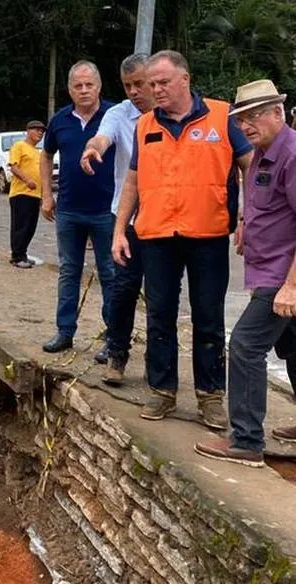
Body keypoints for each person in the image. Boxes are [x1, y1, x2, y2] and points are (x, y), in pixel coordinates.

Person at [111, 50, 253, 428]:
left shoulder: (223, 117)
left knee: (208, 317)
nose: (155, 90)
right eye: (151, 84)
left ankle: (210, 397)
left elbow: (251, 166)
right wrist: (119, 230)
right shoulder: (145, 126)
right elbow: (133, 181)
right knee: (160, 316)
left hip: (207, 234)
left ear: (185, 80)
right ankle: (162, 392)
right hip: (156, 236)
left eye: (162, 83)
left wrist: (249, 215)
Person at [195, 81, 296, 467]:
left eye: (255, 115)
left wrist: (291, 286)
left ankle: (246, 440)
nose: (247, 124)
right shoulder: (261, 155)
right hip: (269, 268)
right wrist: (246, 226)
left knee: (244, 346)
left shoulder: (291, 153)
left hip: (282, 277)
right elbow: (267, 205)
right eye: (241, 119)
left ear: (278, 113)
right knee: (293, 350)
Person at [79, 53, 155, 382]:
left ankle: (159, 359)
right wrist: (93, 147)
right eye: (128, 86)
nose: (135, 91)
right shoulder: (118, 114)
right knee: (123, 289)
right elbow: (104, 136)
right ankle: (117, 353)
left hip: (165, 220)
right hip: (125, 218)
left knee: (161, 293)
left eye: (140, 83)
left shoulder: (171, 116)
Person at [40, 60, 117, 355]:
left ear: (99, 86)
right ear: (70, 89)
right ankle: (64, 332)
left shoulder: (114, 116)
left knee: (110, 274)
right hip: (69, 210)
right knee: (69, 270)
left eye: (89, 85)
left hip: (107, 211)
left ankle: (114, 337)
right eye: (78, 86)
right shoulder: (60, 120)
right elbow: (46, 156)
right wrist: (47, 195)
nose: (84, 90)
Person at [7, 120, 45, 268]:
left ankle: (23, 253)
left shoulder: (37, 152)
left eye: (42, 131)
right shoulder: (19, 146)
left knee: (30, 226)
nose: (40, 133)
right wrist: (26, 180)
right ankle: (16, 256)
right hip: (21, 192)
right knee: (20, 225)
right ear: (28, 131)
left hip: (35, 195)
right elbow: (13, 167)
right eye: (36, 130)